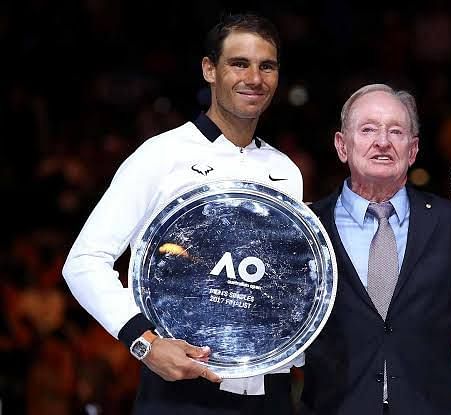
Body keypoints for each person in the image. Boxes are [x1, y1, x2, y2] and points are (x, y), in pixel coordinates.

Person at [62, 13, 302, 415]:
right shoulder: (162, 155)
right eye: (239, 63)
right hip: (181, 392)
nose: (254, 78)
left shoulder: (286, 171)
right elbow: (84, 262)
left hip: (270, 393)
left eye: (267, 66)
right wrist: (146, 344)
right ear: (210, 69)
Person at [300, 84, 451, 415]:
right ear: (342, 145)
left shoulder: (449, 222)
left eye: (395, 131)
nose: (382, 142)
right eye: (368, 129)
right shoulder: (308, 226)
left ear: (412, 151)